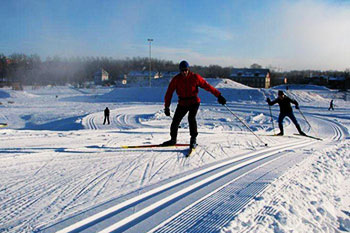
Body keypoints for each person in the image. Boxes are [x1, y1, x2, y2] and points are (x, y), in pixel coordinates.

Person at [162, 60, 227, 149]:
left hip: (194, 102)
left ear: (188, 69)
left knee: (191, 118)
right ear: (180, 70)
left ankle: (193, 139)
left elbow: (207, 86)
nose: (184, 72)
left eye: (186, 70)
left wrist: (219, 95)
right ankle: (173, 139)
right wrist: (166, 107)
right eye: (182, 70)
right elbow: (169, 93)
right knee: (175, 121)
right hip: (182, 103)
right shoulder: (176, 79)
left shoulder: (195, 77)